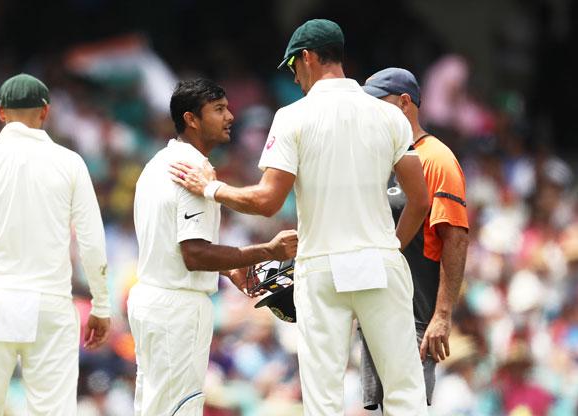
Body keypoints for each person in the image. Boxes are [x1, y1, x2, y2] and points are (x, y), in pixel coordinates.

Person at [170, 20, 430, 415]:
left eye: (293, 66)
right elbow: (420, 199)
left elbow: (267, 201)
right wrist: (392, 245)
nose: (294, 76)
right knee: (406, 392)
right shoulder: (389, 116)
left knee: (323, 399)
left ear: (307, 58)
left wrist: (211, 188)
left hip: (323, 266)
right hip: (380, 261)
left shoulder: (293, 116)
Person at [129, 78, 298, 415]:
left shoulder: (156, 164)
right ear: (191, 119)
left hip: (150, 299)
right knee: (179, 408)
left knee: (153, 407)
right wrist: (269, 251)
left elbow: (177, 241)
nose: (230, 116)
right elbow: (194, 254)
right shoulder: (196, 170)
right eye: (219, 110)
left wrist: (229, 266)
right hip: (178, 306)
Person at [0, 73, 111, 415]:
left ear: (0, 112)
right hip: (51, 303)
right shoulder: (70, 163)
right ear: (46, 112)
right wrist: (101, 305)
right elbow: (92, 240)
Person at [359, 67, 470, 410]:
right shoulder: (380, 158)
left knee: (409, 407)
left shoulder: (436, 158)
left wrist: (442, 315)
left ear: (405, 103)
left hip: (416, 313)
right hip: (378, 307)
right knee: (380, 408)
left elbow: (456, 239)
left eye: (380, 103)